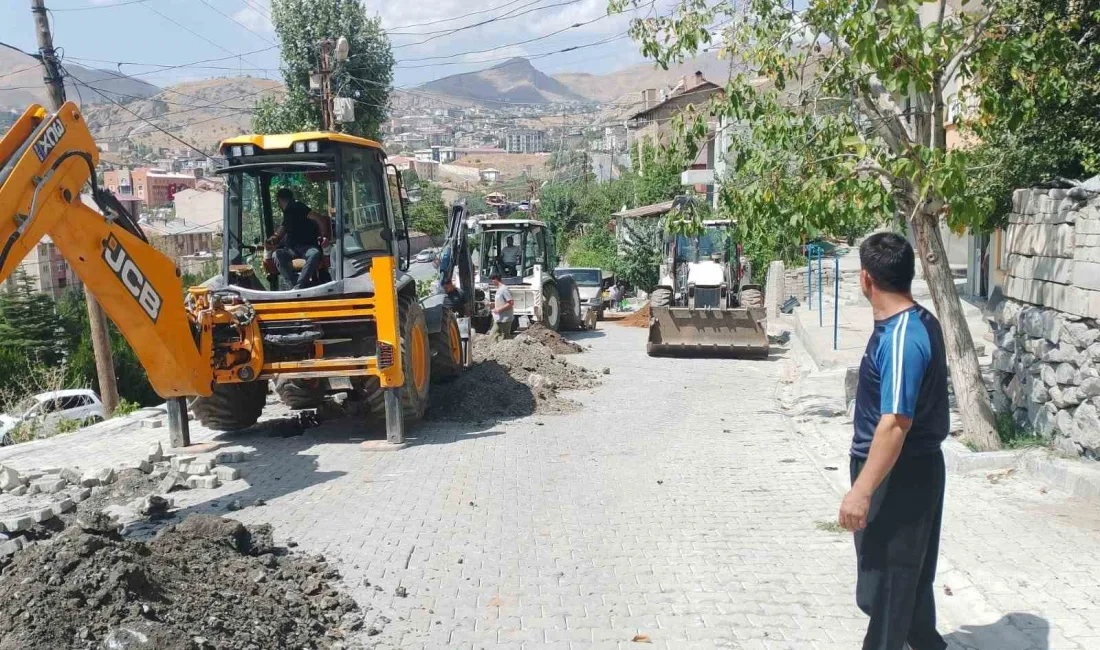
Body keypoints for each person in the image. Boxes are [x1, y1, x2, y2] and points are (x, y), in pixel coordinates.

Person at [838, 232, 950, 650]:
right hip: (903, 470)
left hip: (897, 475)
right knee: (907, 583)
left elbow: (895, 424)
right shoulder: (913, 321)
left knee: (885, 589)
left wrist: (862, 492)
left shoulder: (904, 336)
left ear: (866, 279)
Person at [268, 187, 330, 290]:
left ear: (279, 200)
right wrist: (271, 240)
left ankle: (299, 287)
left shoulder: (298, 207)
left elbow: (319, 218)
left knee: (314, 253)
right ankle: (296, 286)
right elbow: (281, 230)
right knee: (277, 254)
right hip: (291, 249)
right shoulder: (287, 213)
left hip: (307, 247)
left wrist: (324, 236)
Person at [487, 272, 514, 341]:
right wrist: (492, 304)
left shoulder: (504, 289)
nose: (491, 282)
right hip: (499, 318)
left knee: (505, 338)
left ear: (495, 279)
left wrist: (499, 310)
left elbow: (510, 303)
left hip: (505, 319)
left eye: (492, 280)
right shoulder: (499, 290)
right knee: (492, 336)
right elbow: (502, 302)